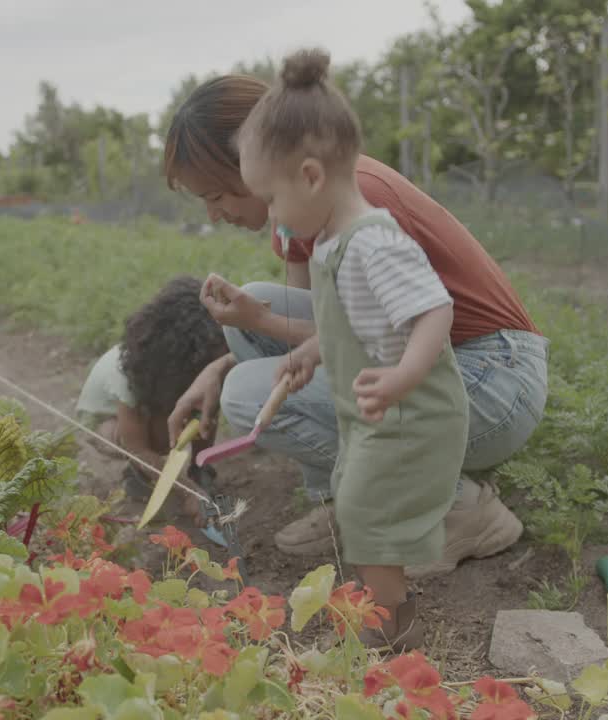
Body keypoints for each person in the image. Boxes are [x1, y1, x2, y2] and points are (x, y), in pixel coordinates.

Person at [162, 61, 550, 580]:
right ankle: (347, 501)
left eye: (216, 194)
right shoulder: (302, 206)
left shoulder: (358, 205)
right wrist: (227, 355)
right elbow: (323, 333)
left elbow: (365, 338)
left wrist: (258, 339)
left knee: (250, 393)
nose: (214, 214)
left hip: (493, 381)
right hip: (449, 366)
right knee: (254, 313)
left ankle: (458, 510)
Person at [231, 47, 471, 651]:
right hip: (376, 411)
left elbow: (434, 310)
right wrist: (315, 348)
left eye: (274, 202)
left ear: (311, 176)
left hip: (410, 412)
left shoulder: (372, 242)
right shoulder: (334, 242)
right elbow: (357, 320)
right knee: (357, 501)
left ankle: (390, 622)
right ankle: (386, 605)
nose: (275, 220)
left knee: (365, 511)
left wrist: (402, 377)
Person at [75, 275, 228, 518]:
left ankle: (200, 469)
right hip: (108, 421)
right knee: (158, 438)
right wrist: (189, 493)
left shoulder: (181, 367)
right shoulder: (128, 376)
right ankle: (139, 476)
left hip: (156, 400)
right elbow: (139, 449)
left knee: (204, 406)